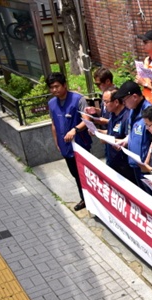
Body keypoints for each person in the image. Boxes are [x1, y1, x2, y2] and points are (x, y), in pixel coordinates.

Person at [47, 72, 92, 211]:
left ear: (64, 85)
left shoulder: (78, 100)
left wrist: (74, 130)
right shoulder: (52, 103)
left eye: (57, 86)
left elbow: (87, 120)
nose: (54, 90)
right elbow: (54, 124)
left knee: (85, 174)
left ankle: (91, 199)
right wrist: (57, 143)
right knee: (75, 174)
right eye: (51, 87)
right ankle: (84, 199)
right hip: (65, 147)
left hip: (80, 144)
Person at [114, 81, 152, 187]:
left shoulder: (150, 112)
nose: (123, 103)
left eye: (124, 100)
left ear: (134, 97)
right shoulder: (132, 110)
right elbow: (133, 132)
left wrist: (147, 163)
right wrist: (125, 140)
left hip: (145, 165)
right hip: (134, 162)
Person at [101, 88, 134, 184]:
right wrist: (98, 131)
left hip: (123, 165)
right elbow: (112, 132)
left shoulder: (127, 117)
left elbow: (128, 141)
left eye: (106, 102)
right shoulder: (112, 114)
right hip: (111, 159)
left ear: (116, 102)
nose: (104, 105)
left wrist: (107, 139)